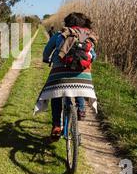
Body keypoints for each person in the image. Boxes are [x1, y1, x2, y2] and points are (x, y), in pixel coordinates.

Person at [35, 12, 98, 142]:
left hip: (60, 73)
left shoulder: (60, 34)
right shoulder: (87, 36)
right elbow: (93, 56)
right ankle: (81, 109)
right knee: (78, 87)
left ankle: (56, 126)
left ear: (68, 23)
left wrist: (46, 59)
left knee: (56, 95)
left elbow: (47, 50)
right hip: (82, 77)